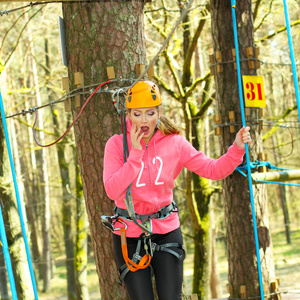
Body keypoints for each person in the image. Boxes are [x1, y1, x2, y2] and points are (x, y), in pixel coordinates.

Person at [103, 80, 251, 300]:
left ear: (159, 113)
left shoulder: (175, 143)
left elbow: (212, 169)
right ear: (128, 114)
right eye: (137, 114)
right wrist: (134, 155)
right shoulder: (116, 145)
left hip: (166, 229)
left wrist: (237, 148)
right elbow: (113, 191)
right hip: (129, 232)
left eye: (150, 113)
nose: (144, 120)